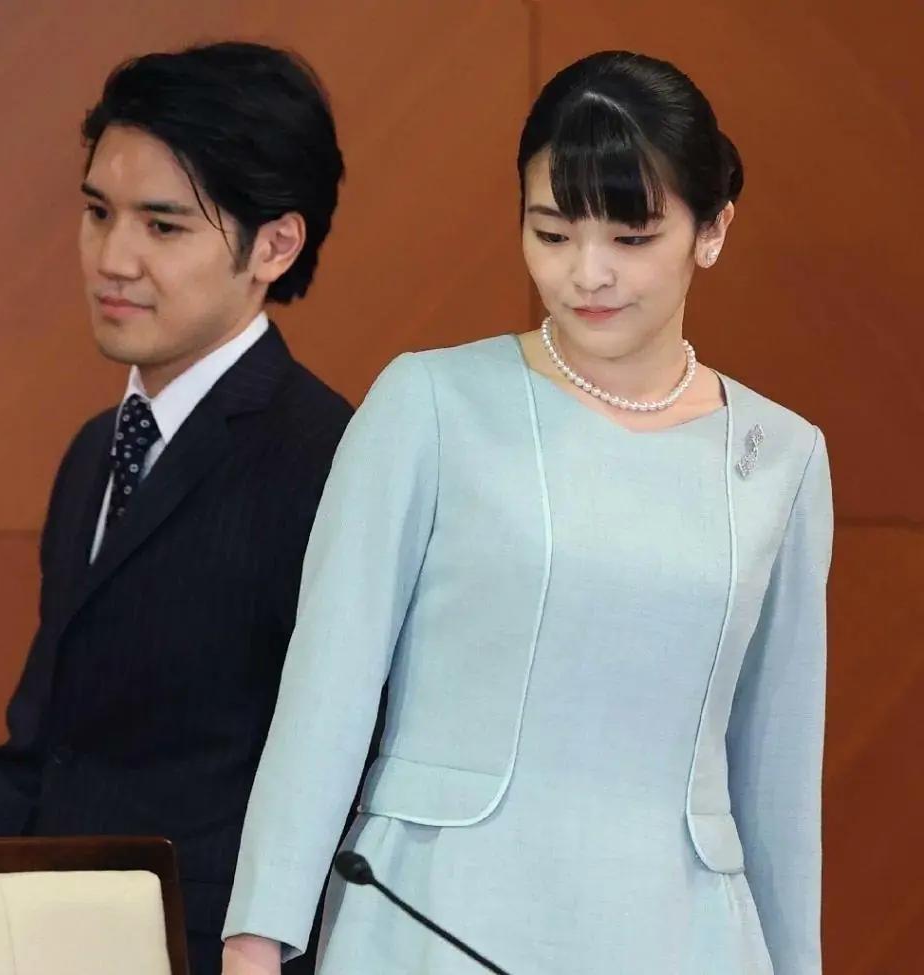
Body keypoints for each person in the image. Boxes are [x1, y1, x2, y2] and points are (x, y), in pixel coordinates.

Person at [221, 50, 833, 975]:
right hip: (432, 918)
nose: (588, 273)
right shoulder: (428, 403)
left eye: (631, 237)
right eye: (552, 232)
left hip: (684, 936)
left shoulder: (781, 455)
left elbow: (778, 773)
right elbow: (324, 697)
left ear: (712, 230)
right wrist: (256, 940)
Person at [0, 41, 351, 975]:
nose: (112, 258)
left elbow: (339, 781)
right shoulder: (96, 449)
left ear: (274, 245)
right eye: (98, 213)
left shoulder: (329, 460)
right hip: (45, 938)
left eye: (162, 226)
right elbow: (43, 743)